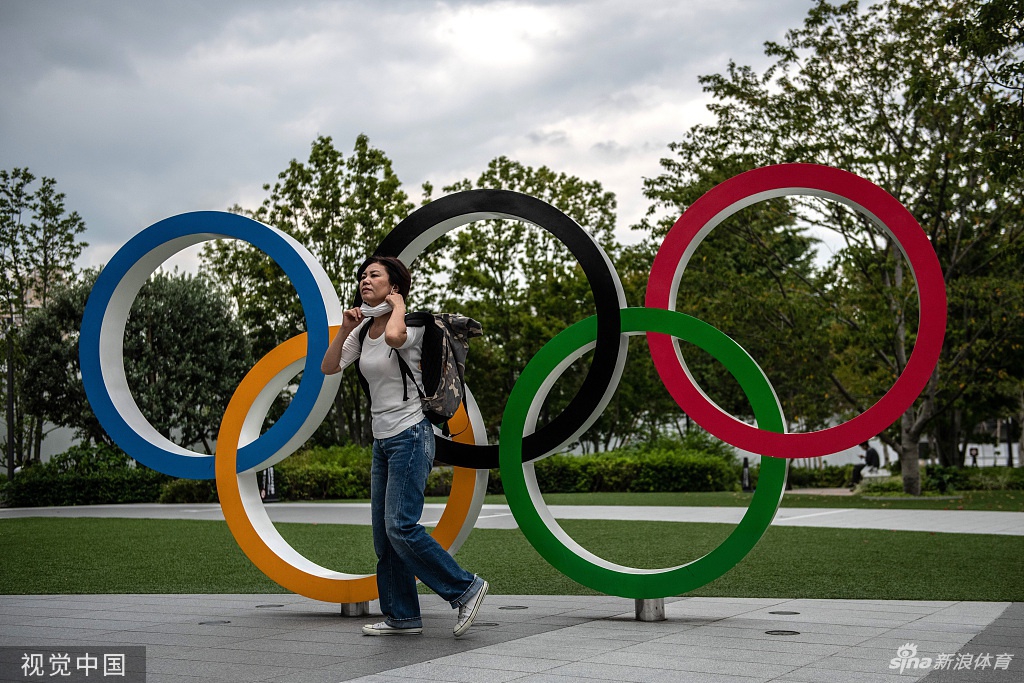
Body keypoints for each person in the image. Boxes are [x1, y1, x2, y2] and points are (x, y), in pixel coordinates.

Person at [321, 256, 488, 637]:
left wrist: (397, 308)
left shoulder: (413, 326)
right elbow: (329, 367)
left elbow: (395, 338)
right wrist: (346, 328)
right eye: (362, 275)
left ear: (393, 286)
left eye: (374, 275)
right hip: (383, 441)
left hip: (411, 434)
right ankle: (402, 616)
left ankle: (466, 587)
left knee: (400, 525)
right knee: (385, 535)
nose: (365, 280)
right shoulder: (363, 333)